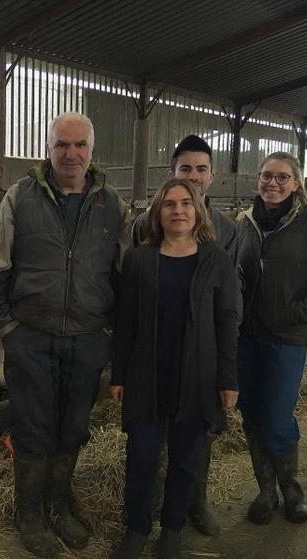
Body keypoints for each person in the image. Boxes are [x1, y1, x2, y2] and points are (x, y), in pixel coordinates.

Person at [0, 112, 131, 558]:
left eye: (79, 145)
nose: (71, 154)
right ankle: (30, 513)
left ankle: (60, 505)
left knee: (73, 426)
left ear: (91, 151)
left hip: (86, 337)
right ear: (48, 148)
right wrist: (7, 328)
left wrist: (108, 329)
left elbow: (124, 273)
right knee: (32, 427)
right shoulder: (20, 197)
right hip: (31, 334)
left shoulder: (112, 204)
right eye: (62, 144)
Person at [110, 178, 239, 559]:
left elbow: (227, 321)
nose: (178, 210)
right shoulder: (140, 260)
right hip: (147, 375)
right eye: (169, 204)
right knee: (142, 456)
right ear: (158, 213)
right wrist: (118, 374)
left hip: (197, 375)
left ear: (197, 211)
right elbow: (126, 322)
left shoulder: (216, 260)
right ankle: (136, 529)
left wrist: (228, 378)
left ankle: (172, 530)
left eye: (186, 203)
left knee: (186, 459)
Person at [235, 152, 307, 525]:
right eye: (266, 176)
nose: (272, 183)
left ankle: (292, 490)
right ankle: (265, 491)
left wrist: (296, 313)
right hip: (246, 337)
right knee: (251, 414)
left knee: (277, 416)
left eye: (282, 177)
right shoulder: (244, 223)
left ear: (297, 183)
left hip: (286, 339)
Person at [132, 134, 237, 536]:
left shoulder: (226, 230)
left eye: (201, 169)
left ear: (212, 176)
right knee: (148, 441)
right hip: (156, 349)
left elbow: (233, 293)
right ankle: (149, 508)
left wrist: (226, 366)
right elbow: (135, 287)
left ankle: (195, 500)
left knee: (194, 438)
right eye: (185, 169)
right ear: (172, 173)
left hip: (204, 347)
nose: (193, 176)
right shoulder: (147, 224)